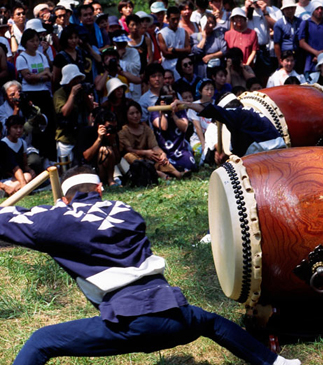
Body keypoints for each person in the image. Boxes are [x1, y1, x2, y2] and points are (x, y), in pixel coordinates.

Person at [0, 164, 302, 365]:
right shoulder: (127, 212)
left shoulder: (54, 221)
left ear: (65, 200)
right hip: (176, 315)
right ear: (101, 190)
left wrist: (50, 213)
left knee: (41, 341)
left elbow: (9, 222)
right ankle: (276, 363)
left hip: (130, 323)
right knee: (210, 322)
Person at [172, 92, 286, 164]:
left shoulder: (235, 114)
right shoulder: (249, 113)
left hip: (269, 156)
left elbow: (211, 110)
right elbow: (241, 144)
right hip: (280, 151)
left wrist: (186, 104)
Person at [16, 28, 57, 162]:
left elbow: (49, 74)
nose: (35, 43)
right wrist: (41, 76)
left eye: (36, 40)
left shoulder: (41, 55)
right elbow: (28, 78)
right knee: (35, 126)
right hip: (31, 94)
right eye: (31, 41)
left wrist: (37, 76)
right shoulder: (22, 58)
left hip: (44, 93)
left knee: (49, 124)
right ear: (25, 42)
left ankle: (50, 157)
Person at [119, 100, 185, 180]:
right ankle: (161, 175)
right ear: (126, 115)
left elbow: (154, 146)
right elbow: (128, 149)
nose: (135, 116)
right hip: (134, 159)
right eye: (132, 114)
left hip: (148, 156)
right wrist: (144, 152)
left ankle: (177, 174)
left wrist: (162, 154)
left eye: (137, 112)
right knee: (129, 156)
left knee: (159, 156)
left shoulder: (146, 128)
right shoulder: (123, 131)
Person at [151, 85, 198, 173]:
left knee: (190, 165)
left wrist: (173, 115)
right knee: (163, 164)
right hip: (164, 150)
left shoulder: (180, 109)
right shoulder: (155, 110)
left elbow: (184, 127)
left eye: (172, 97)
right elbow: (164, 127)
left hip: (180, 149)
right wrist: (162, 111)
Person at [54, 64, 95, 164]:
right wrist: (72, 94)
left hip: (81, 134)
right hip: (66, 137)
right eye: (74, 79)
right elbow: (65, 112)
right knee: (66, 167)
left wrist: (85, 95)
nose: (77, 82)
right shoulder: (59, 94)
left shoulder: (81, 92)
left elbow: (91, 110)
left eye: (78, 79)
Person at [74, 109, 121, 186]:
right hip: (86, 170)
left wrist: (113, 142)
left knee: (107, 150)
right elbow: (86, 157)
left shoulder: (113, 134)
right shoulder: (87, 132)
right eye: (109, 127)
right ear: (100, 126)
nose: (111, 130)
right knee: (105, 150)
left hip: (103, 171)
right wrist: (99, 139)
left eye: (114, 127)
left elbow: (117, 160)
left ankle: (110, 180)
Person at [297, 1, 323, 75]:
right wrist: (316, 53)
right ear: (312, 10)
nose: (320, 11)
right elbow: (301, 42)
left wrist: (321, 55)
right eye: (317, 9)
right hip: (310, 64)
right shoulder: (305, 23)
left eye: (321, 9)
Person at [0, 115, 36, 195]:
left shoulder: (21, 143)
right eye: (15, 128)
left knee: (27, 176)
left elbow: (17, 167)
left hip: (13, 179)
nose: (19, 130)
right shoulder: (5, 142)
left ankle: (10, 191)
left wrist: (30, 171)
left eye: (20, 127)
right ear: (8, 129)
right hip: (4, 179)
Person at [158, 6, 192, 80]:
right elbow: (165, 54)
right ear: (167, 19)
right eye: (173, 19)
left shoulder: (183, 31)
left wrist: (174, 50)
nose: (176, 21)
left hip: (183, 68)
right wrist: (183, 53)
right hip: (168, 68)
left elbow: (189, 50)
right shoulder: (162, 33)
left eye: (177, 18)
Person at [190, 13, 227, 78]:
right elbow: (196, 51)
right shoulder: (195, 36)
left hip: (216, 69)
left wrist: (211, 56)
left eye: (212, 23)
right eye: (208, 23)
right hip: (201, 70)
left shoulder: (218, 35)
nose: (210, 25)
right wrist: (204, 38)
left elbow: (224, 50)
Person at [273, 0, 302, 66]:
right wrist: (280, 60)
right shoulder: (279, 24)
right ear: (283, 10)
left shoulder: (300, 22)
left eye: (292, 8)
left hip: (298, 55)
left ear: (295, 9)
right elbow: (276, 44)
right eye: (287, 9)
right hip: (285, 56)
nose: (290, 11)